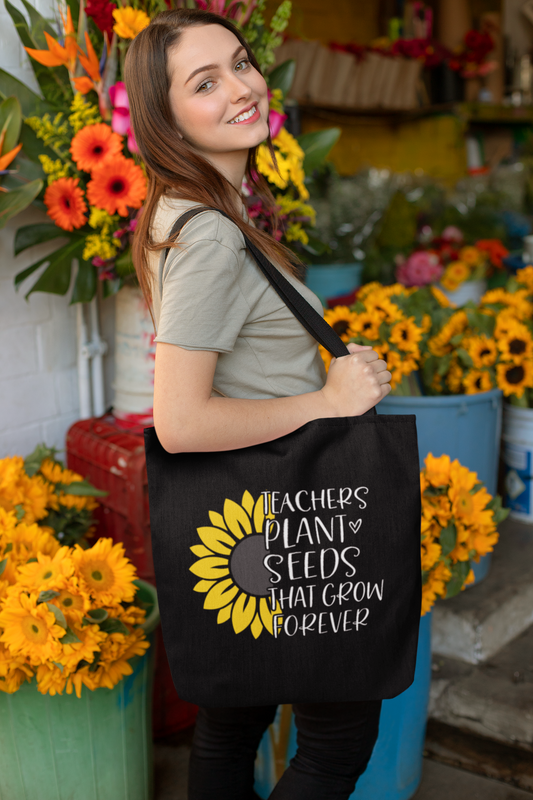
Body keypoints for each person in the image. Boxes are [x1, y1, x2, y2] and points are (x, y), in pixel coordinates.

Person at [125, 9, 392, 800]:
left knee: (232, 727)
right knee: (338, 740)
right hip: (286, 518)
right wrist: (327, 399)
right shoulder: (208, 234)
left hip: (246, 518)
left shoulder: (189, 214)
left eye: (240, 64)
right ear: (165, 117)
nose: (243, 87)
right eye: (205, 82)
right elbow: (180, 420)